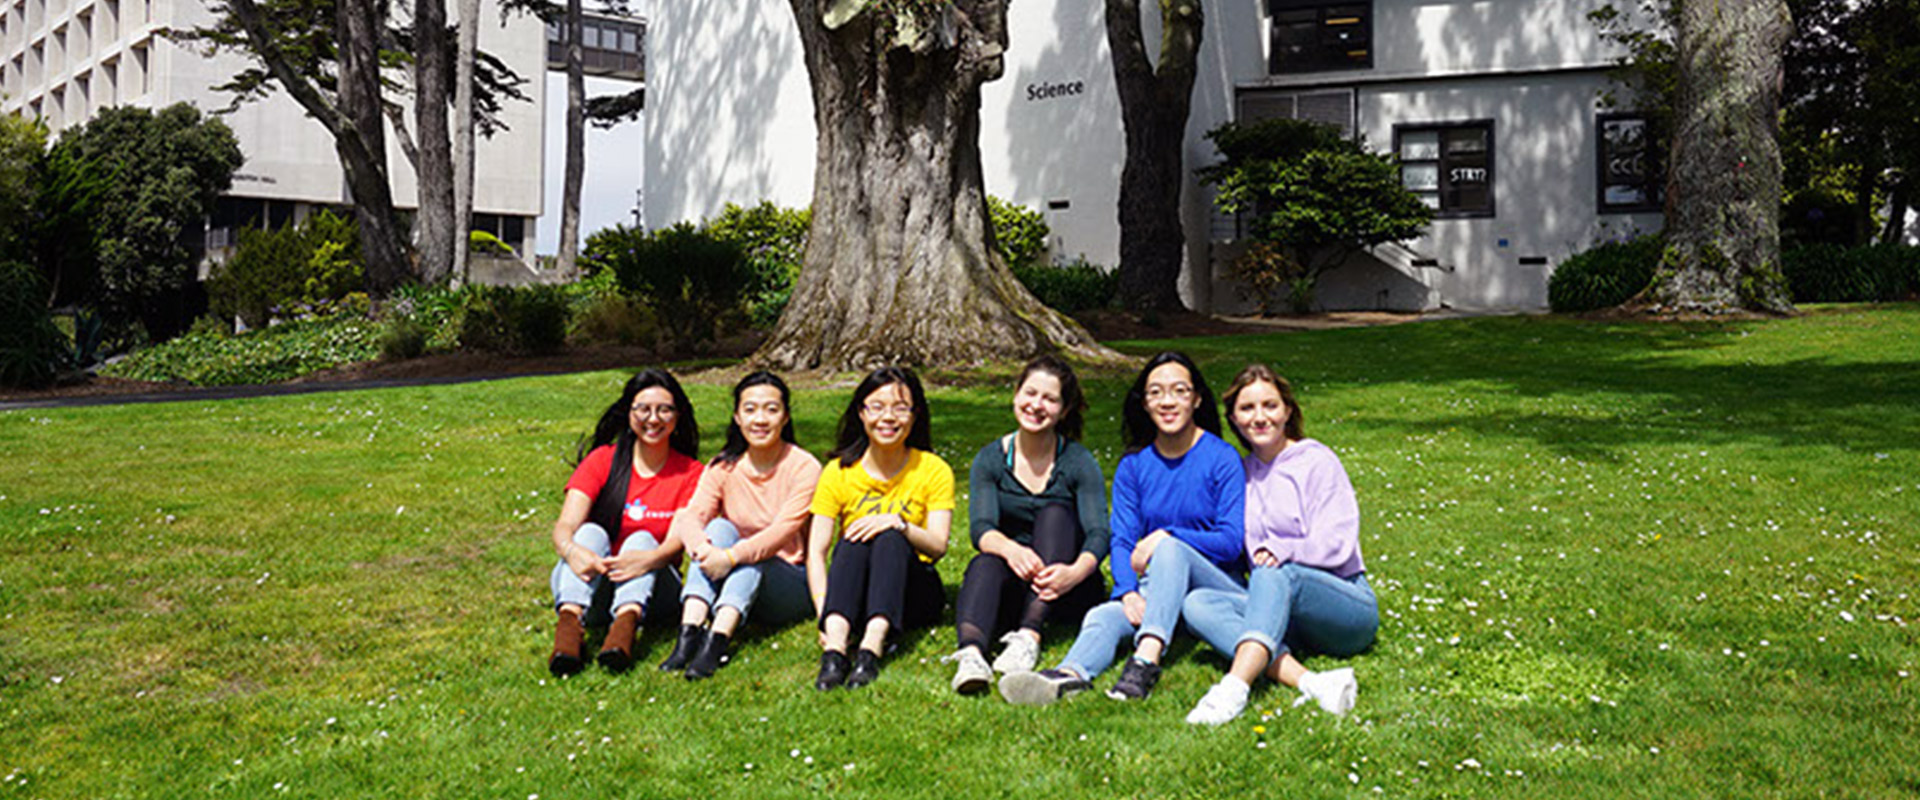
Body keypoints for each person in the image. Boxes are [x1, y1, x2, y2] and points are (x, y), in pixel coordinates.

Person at [1000, 351, 1246, 706]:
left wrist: (1169, 536)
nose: (1167, 401)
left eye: (1179, 391)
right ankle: (1068, 675)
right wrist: (1128, 592)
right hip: (1154, 589)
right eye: (1156, 392)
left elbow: (1230, 542)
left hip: (1213, 587)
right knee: (1102, 615)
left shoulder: (1222, 458)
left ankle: (1145, 660)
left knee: (1170, 548)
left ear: (1196, 399)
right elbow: (1123, 540)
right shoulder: (1134, 465)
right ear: (1144, 404)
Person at [1181, 364, 1377, 725]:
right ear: (1234, 419)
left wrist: (1286, 551)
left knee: (1272, 572)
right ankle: (1314, 683)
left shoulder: (1317, 461)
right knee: (1198, 604)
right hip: (1280, 612)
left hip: (1344, 608)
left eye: (1269, 406)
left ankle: (1234, 689)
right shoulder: (1240, 474)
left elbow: (1339, 544)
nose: (1259, 417)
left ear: (1287, 411)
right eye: (1247, 409)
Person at [948, 355, 1110, 694]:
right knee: (985, 562)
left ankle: (1030, 634)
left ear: (1064, 411)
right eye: (1030, 393)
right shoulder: (991, 459)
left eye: (1049, 399)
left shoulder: (1078, 461)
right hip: (1016, 577)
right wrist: (1011, 549)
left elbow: (1098, 533)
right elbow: (981, 528)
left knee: (1055, 514)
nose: (1037, 405)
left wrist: (1075, 572)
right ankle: (972, 655)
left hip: (1068, 586)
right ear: (1016, 395)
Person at [660, 371, 822, 679]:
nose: (760, 419)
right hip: (727, 571)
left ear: (785, 417)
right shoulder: (723, 466)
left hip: (787, 582)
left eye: (771, 410)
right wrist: (705, 551)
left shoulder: (805, 467)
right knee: (718, 530)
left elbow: (780, 533)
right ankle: (689, 633)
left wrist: (731, 557)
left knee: (753, 558)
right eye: (750, 409)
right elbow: (691, 517)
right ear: (737, 417)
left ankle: (717, 640)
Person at [546, 369, 703, 676]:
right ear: (628, 413)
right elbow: (564, 526)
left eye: (664, 409)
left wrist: (647, 560)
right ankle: (569, 626)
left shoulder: (692, 472)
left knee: (643, 539)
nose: (653, 418)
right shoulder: (602, 460)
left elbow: (675, 544)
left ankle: (624, 629)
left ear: (678, 415)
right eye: (643, 408)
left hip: (654, 588)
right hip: (593, 583)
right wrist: (573, 551)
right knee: (588, 532)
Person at [807, 366, 955, 690]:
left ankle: (870, 649)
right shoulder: (838, 471)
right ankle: (835, 650)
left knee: (888, 535)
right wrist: (823, 612)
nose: (887, 417)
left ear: (915, 416)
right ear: (861, 413)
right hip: (854, 592)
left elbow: (938, 546)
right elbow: (816, 552)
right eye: (876, 407)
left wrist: (899, 525)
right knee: (855, 535)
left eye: (900, 408)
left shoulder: (933, 468)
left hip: (914, 592)